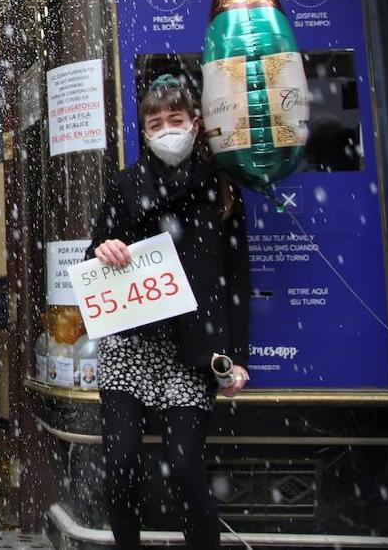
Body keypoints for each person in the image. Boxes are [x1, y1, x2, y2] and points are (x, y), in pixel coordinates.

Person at [87, 75, 251, 550]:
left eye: (174, 120)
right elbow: (91, 257)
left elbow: (238, 277)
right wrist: (106, 250)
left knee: (183, 467)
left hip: (193, 349)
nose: (165, 130)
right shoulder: (125, 185)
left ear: (196, 124)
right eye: (154, 123)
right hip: (130, 345)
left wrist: (236, 355)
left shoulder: (221, 188)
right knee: (118, 466)